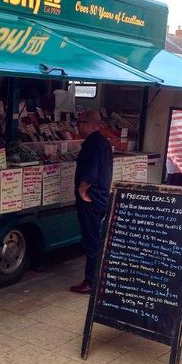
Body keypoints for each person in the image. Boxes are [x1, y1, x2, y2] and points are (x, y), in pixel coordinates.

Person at [70, 110, 113, 294]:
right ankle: (98, 278)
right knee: (95, 237)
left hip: (91, 199)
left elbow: (92, 170)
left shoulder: (92, 144)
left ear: (87, 124)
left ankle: (91, 281)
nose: (77, 126)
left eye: (79, 123)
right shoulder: (103, 142)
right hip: (101, 196)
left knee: (91, 240)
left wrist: (82, 190)